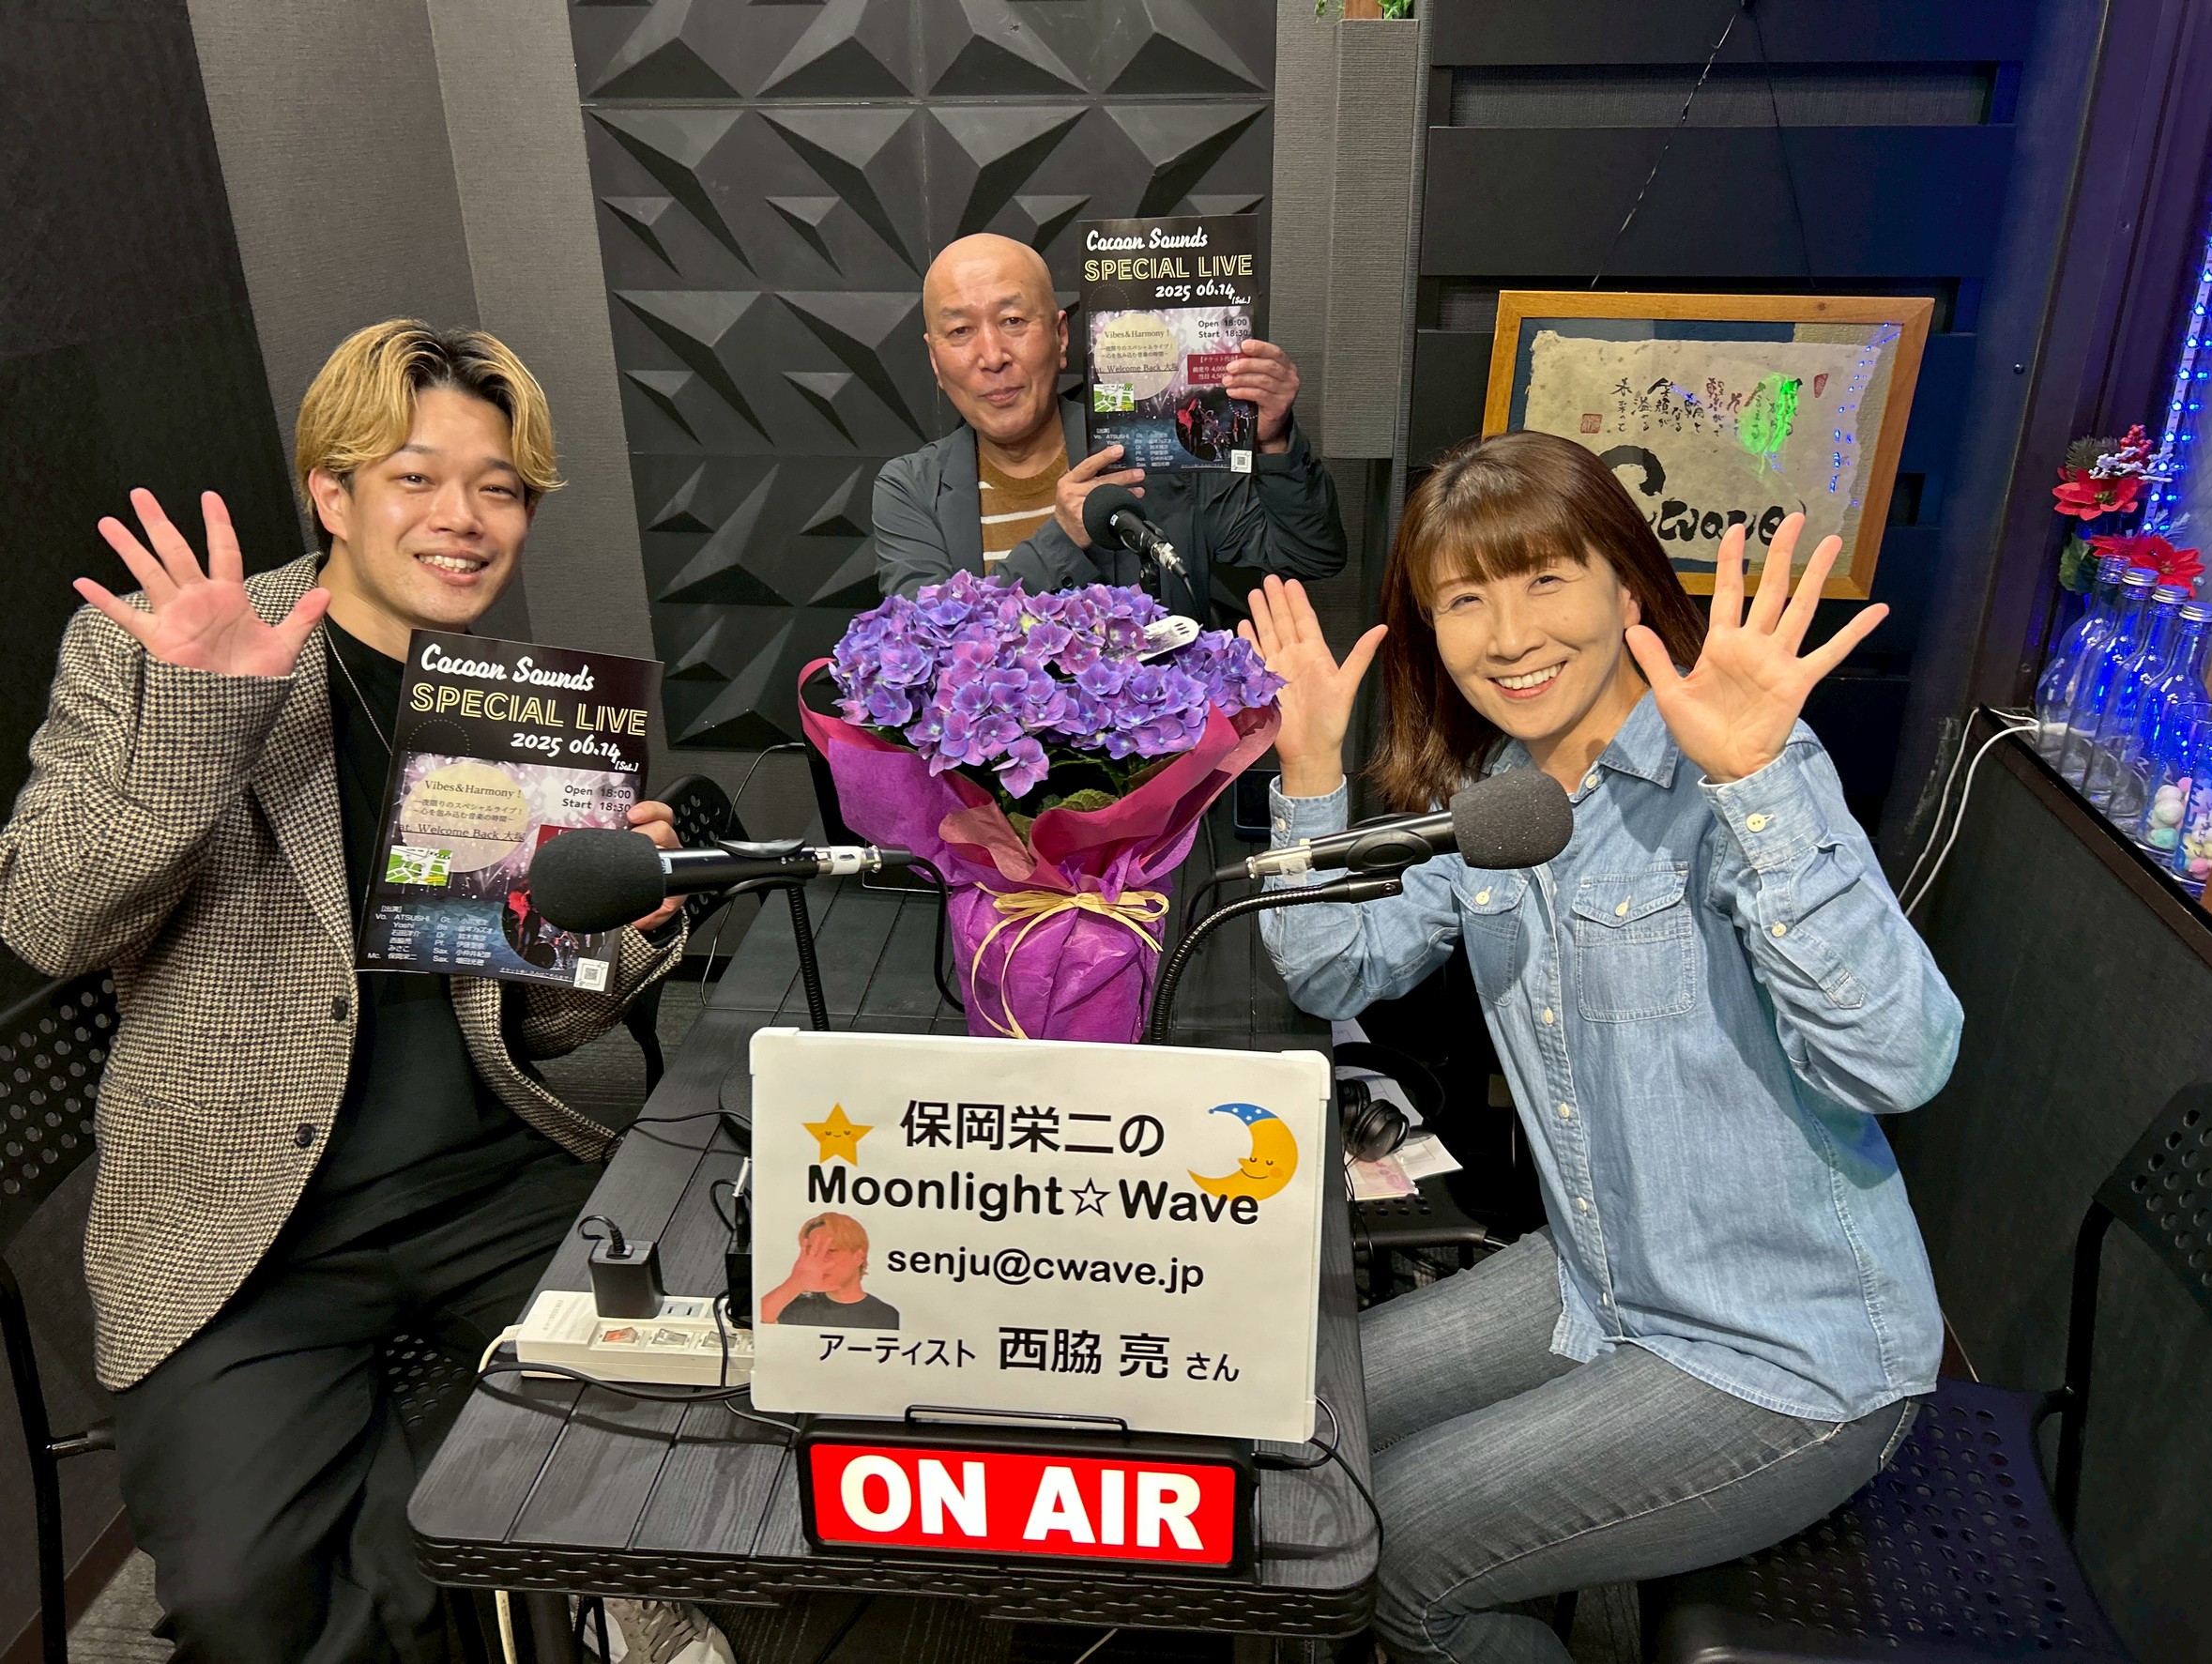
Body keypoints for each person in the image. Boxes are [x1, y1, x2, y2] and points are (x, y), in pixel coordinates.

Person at [0, 321, 728, 1664]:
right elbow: (47, 919)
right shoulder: (154, 651)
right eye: (415, 477)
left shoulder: (508, 701)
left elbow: (542, 1018)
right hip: (242, 1224)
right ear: (331, 493)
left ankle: (581, 1593)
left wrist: (621, 927)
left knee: (703, 1396)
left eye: (499, 488)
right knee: (243, 1596)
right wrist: (204, 720)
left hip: (484, 1178)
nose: (463, 519)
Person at [1245, 431, 1960, 1664]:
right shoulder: (1500, 798)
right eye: (1465, 600)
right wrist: (1309, 769)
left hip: (1787, 1351)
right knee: (1299, 1412)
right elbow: (1334, 968)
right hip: (1597, 1276)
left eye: (1544, 580)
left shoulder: (1739, 771)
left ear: (1627, 586)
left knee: (1400, 1553)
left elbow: (1899, 1061)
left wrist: (1757, 787)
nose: (1509, 635)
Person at [873, 233, 1348, 620]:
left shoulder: (1161, 450)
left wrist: (1273, 441)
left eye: (1013, 320)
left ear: (1061, 337)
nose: (992, 356)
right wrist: (1062, 536)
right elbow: (927, 643)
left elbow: (1309, 555)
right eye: (960, 331)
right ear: (935, 360)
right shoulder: (910, 489)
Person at [762, 1213, 901, 1330]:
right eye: (812, 1252)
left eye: (831, 1251)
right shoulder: (793, 1306)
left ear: (859, 1256)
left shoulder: (885, 1315)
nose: (820, 1260)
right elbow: (758, 1326)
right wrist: (795, 1283)